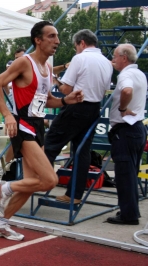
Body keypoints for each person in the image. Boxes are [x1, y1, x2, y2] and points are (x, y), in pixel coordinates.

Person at [0, 21, 84, 241]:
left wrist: (66, 100)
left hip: (37, 126)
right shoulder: (24, 63)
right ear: (37, 40)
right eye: (51, 36)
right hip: (22, 126)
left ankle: (0, 224)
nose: (57, 41)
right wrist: (7, 114)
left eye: (57, 36)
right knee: (50, 180)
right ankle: (3, 187)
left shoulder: (48, 69)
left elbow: (46, 100)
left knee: (31, 185)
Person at [44, 29, 113, 204]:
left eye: (76, 47)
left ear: (81, 43)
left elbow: (66, 90)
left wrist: (56, 82)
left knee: (50, 144)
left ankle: (36, 183)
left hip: (76, 107)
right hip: (94, 108)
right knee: (82, 151)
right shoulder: (106, 62)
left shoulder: (80, 58)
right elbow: (104, 89)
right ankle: (74, 195)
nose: (76, 50)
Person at [106, 44, 147, 225]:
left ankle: (128, 215)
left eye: (115, 56)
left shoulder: (126, 75)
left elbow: (127, 90)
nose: (113, 59)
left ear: (124, 57)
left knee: (124, 174)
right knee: (130, 173)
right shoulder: (139, 73)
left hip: (126, 129)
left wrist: (122, 108)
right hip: (137, 128)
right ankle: (130, 211)